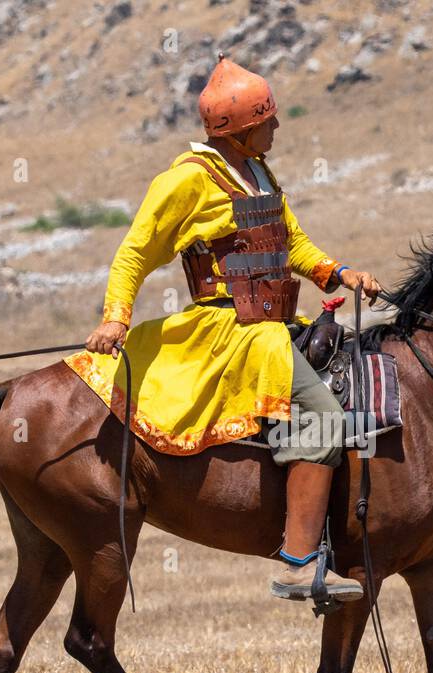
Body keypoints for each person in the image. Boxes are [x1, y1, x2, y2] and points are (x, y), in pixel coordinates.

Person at [69, 55, 383, 603]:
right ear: (239, 129)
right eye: (268, 119)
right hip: (230, 328)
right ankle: (296, 561)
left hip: (278, 320)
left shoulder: (258, 171)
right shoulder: (187, 180)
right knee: (322, 413)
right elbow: (135, 253)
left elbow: (293, 242)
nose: (277, 127)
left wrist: (338, 272)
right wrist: (116, 316)